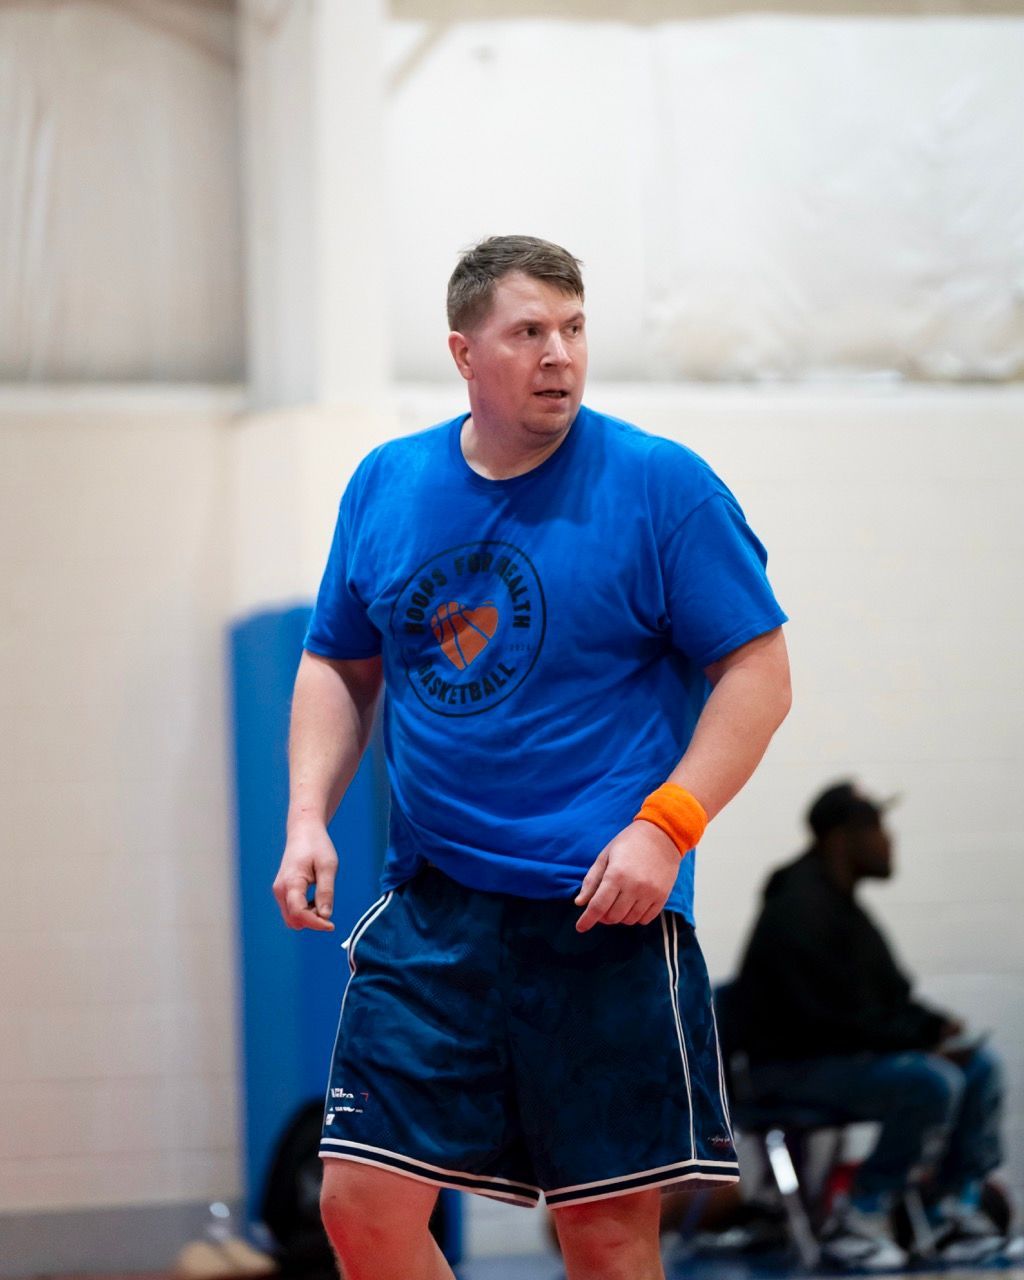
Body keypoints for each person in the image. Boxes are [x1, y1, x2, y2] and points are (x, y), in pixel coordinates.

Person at [272, 235, 791, 1280]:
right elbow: (337, 660)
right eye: (528, 332)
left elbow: (759, 675)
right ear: (466, 354)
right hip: (433, 909)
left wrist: (666, 826)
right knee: (359, 1206)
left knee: (601, 1236)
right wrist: (306, 815)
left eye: (574, 328)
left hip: (602, 910)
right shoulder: (388, 483)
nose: (559, 353)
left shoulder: (660, 486)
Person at [733, 781, 1017, 1270]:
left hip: (839, 1057)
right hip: (783, 1070)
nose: (890, 841)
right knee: (927, 1081)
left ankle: (950, 1213)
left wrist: (936, 1027)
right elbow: (818, 1023)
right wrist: (920, 1041)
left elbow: (889, 999)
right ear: (842, 838)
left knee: (981, 1065)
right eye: (878, 828)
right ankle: (858, 1217)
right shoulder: (797, 907)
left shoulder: (847, 909)